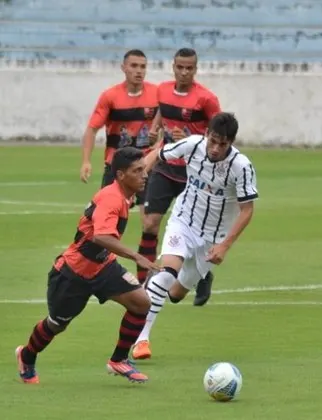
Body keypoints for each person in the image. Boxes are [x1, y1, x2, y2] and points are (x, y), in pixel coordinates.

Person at [15, 147, 160, 384]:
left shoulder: (125, 189)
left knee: (141, 303)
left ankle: (119, 360)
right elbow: (100, 237)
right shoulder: (111, 198)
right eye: (138, 171)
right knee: (57, 324)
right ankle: (27, 355)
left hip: (103, 267)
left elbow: (150, 160)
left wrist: (163, 144)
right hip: (73, 272)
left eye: (144, 169)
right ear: (121, 175)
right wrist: (138, 257)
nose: (145, 175)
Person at [132, 112, 257, 360]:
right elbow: (157, 154)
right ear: (207, 134)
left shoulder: (241, 167)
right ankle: (141, 339)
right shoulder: (193, 144)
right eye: (213, 140)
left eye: (222, 144)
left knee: (176, 294)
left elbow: (247, 210)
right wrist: (137, 181)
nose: (215, 148)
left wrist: (224, 247)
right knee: (167, 275)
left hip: (212, 238)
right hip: (183, 222)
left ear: (231, 142)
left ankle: (172, 282)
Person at [137, 48, 221, 305]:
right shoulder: (162, 90)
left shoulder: (206, 98)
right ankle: (144, 281)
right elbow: (162, 111)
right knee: (150, 223)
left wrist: (197, 141)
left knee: (193, 232)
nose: (184, 72)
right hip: (166, 165)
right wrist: (154, 128)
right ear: (173, 67)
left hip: (194, 171)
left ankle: (200, 274)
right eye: (180, 67)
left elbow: (220, 135)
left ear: (196, 69)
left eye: (189, 68)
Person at [79, 49, 159, 212]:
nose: (139, 71)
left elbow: (168, 125)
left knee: (150, 221)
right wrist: (86, 161)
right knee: (105, 214)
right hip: (117, 166)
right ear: (123, 67)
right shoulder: (110, 96)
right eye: (134, 66)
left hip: (145, 166)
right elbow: (92, 130)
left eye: (143, 67)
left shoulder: (157, 94)